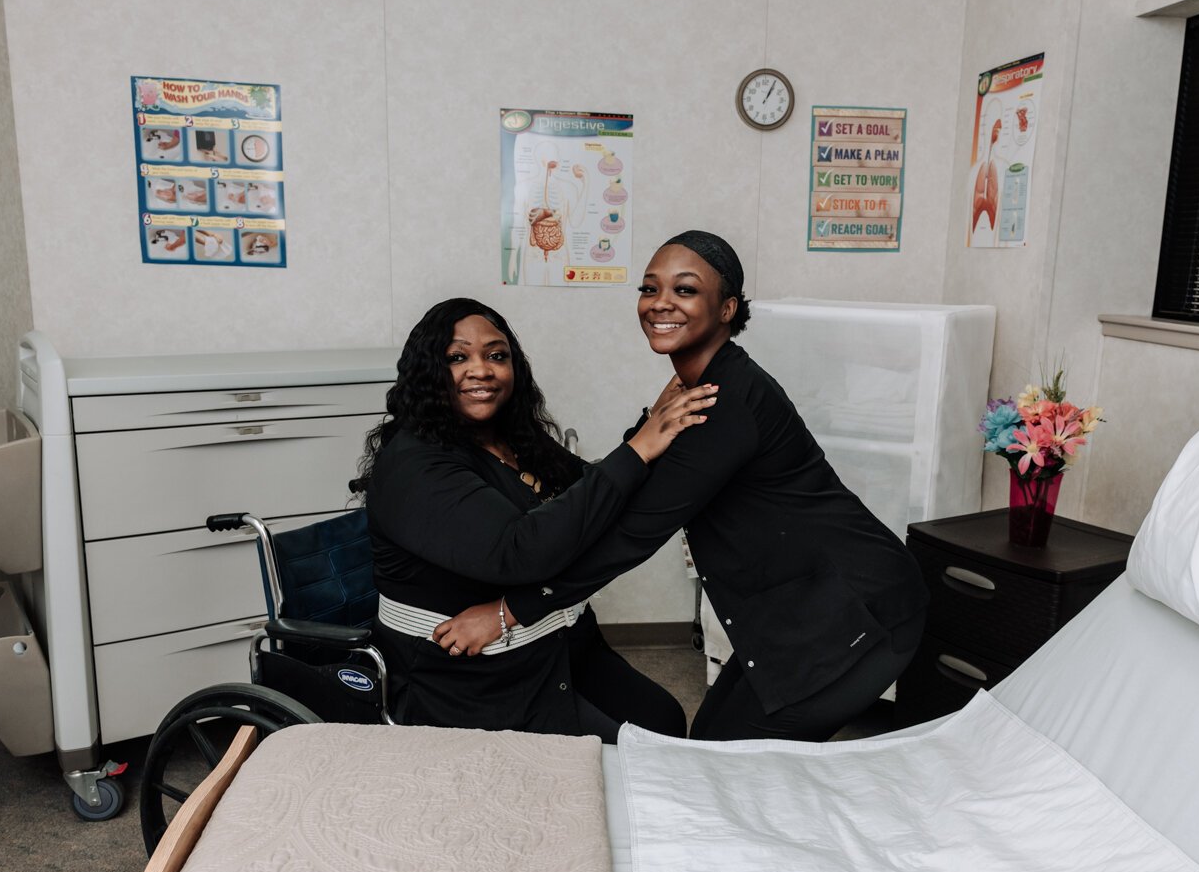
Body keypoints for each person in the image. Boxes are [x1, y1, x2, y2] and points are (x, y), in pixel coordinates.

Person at [435, 232, 928, 742]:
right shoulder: (697, 392)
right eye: (650, 289)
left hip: (860, 610)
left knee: (719, 764)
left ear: (726, 308)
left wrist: (507, 612)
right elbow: (629, 479)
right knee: (711, 747)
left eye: (685, 290)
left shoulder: (726, 401)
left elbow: (633, 531)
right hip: (797, 611)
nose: (660, 303)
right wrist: (648, 427)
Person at [362, 297, 715, 742]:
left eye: (496, 355)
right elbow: (521, 550)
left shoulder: (514, 439)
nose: (482, 370)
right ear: (428, 372)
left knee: (662, 722)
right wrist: (641, 446)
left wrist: (655, 428)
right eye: (457, 357)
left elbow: (592, 500)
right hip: (471, 677)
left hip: (557, 645)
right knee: (625, 754)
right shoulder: (415, 465)